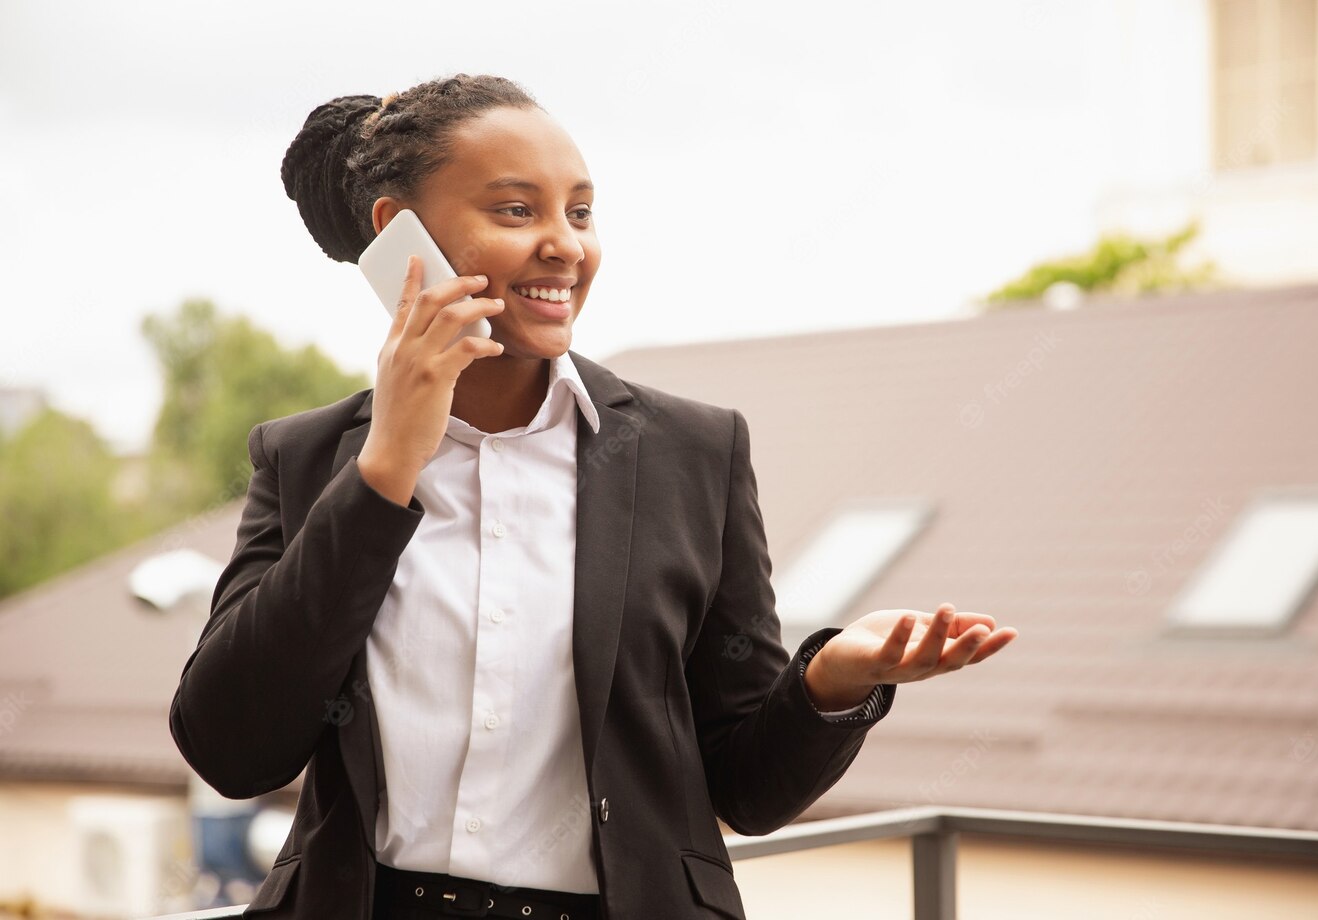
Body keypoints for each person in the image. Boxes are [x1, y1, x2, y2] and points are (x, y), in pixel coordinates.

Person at [168, 72, 1017, 920]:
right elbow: (231, 750)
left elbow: (746, 790)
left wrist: (831, 682)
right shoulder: (306, 458)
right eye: (514, 210)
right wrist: (385, 472)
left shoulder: (693, 453)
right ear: (401, 235)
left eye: (579, 211)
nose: (565, 245)